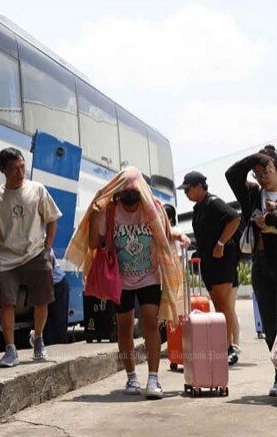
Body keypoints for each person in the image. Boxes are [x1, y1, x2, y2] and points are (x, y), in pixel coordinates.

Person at [67, 166, 188, 399]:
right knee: (124, 328)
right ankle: (131, 377)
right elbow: (94, 243)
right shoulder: (109, 212)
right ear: (119, 193)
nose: (130, 199)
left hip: (149, 277)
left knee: (151, 325)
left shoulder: (153, 209)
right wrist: (93, 216)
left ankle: (153, 379)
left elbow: (164, 232)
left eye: (134, 192)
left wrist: (178, 235)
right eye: (126, 193)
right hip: (119, 279)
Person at [225, 145, 277, 401]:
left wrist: (272, 220)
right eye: (257, 173)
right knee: (270, 326)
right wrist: (255, 159)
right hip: (261, 265)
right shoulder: (253, 194)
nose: (261, 177)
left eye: (266, 170)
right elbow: (231, 174)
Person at [0, 147, 62, 367]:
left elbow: (52, 219)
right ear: (2, 170)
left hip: (35, 254)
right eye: (14, 169)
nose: (20, 172)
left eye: (22, 167)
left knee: (42, 300)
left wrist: (47, 248)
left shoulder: (37, 190)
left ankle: (39, 338)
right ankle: (11, 350)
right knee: (6, 303)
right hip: (7, 259)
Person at [180, 171, 241, 365]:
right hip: (209, 262)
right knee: (218, 304)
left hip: (222, 260)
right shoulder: (199, 207)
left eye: (188, 189)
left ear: (199, 186)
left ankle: (229, 347)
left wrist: (221, 243)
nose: (186, 194)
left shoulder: (214, 202)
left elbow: (235, 218)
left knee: (224, 305)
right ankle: (222, 344)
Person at [42, 248, 70, 345]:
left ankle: (61, 352)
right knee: (47, 330)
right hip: (48, 286)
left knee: (59, 329)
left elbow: (49, 269)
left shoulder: (43, 244)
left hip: (58, 285)